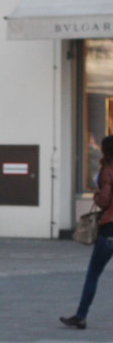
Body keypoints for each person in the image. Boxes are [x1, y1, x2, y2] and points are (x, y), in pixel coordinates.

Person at [62, 134, 113, 329]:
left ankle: (81, 315)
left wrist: (96, 196)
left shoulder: (108, 171)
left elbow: (105, 200)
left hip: (109, 229)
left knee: (93, 273)